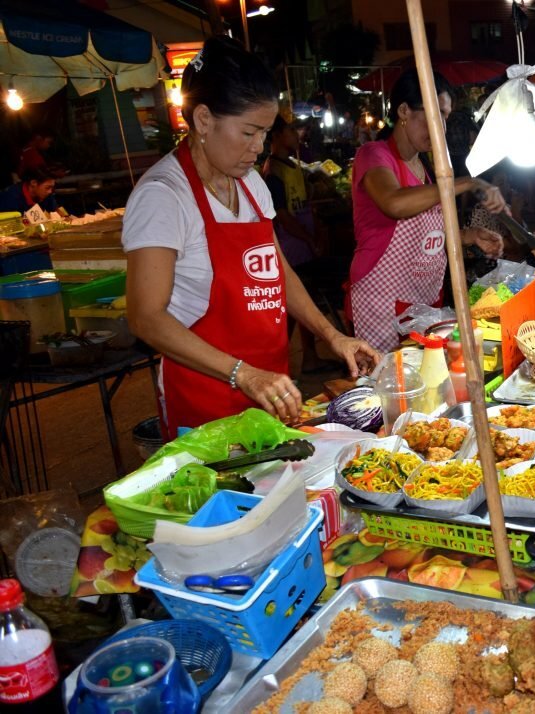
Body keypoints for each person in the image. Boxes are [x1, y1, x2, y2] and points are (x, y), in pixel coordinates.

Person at [122, 37, 380, 439]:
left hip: (270, 391)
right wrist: (242, 374)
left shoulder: (251, 186)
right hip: (206, 403)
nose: (259, 147)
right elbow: (145, 317)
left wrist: (333, 336)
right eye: (248, 132)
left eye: (265, 132)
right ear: (204, 119)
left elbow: (278, 271)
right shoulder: (163, 196)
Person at [349, 69, 506, 353]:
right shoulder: (374, 155)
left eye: (446, 117)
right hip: (383, 303)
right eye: (436, 115)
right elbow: (394, 203)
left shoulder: (426, 169)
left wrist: (469, 236)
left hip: (424, 300)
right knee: (393, 385)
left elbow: (428, 237)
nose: (441, 128)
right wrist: (466, 182)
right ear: (404, 111)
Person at [262, 115, 341, 374]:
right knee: (289, 309)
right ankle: (280, 365)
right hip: (290, 248)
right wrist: (308, 239)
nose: (297, 136)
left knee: (303, 303)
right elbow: (282, 216)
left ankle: (308, 356)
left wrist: (316, 233)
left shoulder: (294, 166)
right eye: (291, 131)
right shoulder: (271, 171)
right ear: (276, 135)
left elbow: (306, 203)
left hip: (305, 245)